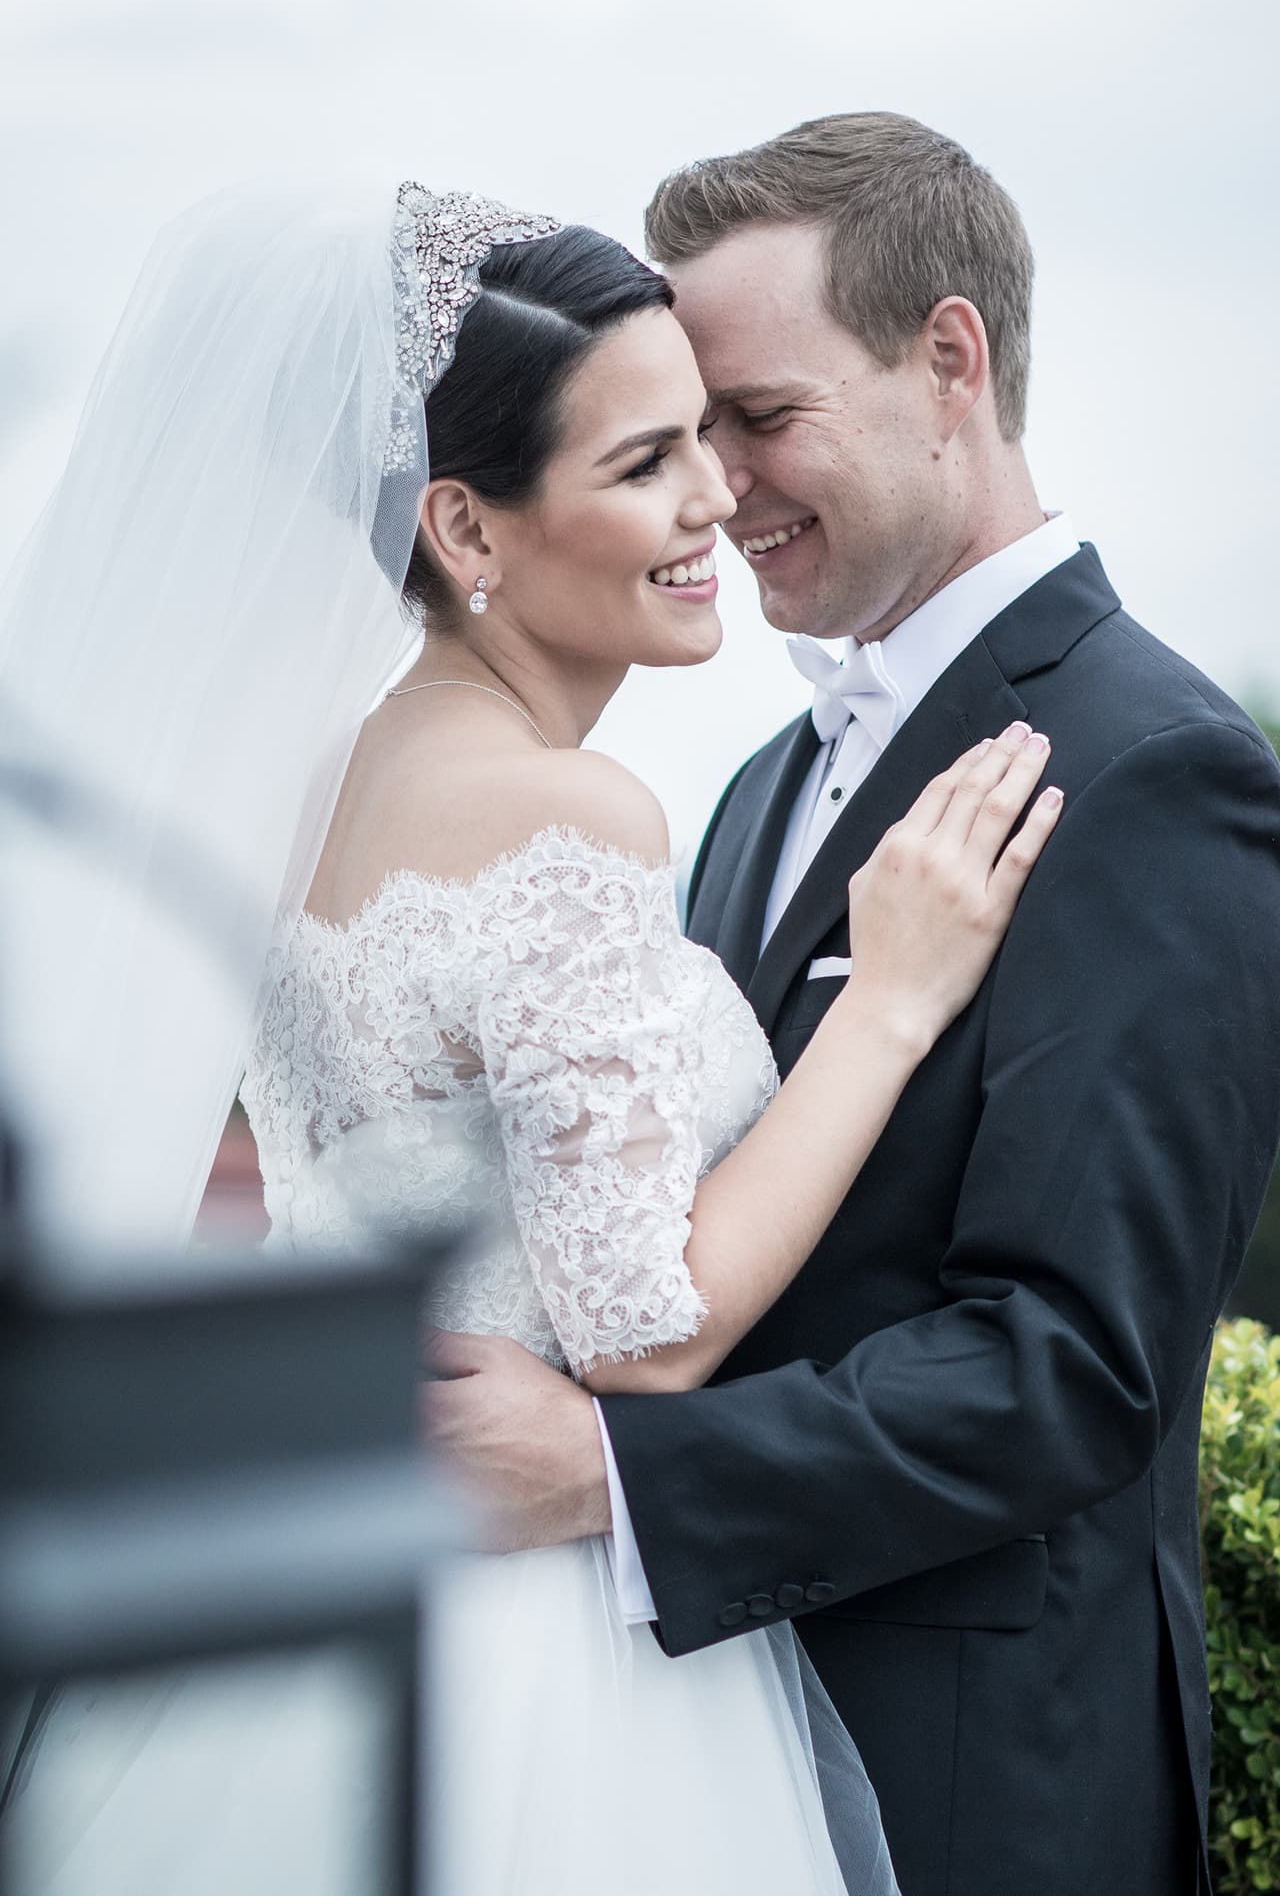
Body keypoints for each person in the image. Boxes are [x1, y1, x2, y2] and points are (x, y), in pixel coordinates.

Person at [0, 177, 1058, 1893]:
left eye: (708, 436)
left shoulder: (310, 787)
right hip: (534, 1640)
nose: (716, 493)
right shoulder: (569, 811)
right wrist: (895, 998)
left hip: (319, 1566)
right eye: (644, 462)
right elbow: (641, 1333)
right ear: (467, 531)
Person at [424, 115, 1280, 1896]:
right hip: (692, 1755)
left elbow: (1073, 1362)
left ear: (947, 362)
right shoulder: (751, 786)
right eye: (686, 431)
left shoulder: (1158, 769)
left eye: (762, 416)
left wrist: (610, 1471)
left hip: (970, 1781)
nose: (721, 489)